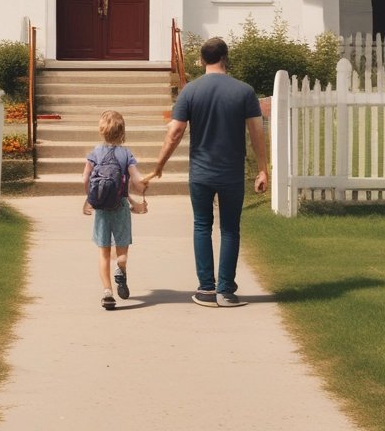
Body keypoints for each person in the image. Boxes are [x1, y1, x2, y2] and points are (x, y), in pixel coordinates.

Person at [146, 36, 269, 308]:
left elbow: (175, 131)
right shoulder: (244, 91)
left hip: (200, 172)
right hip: (232, 173)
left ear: (201, 60)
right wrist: (262, 169)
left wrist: (159, 166)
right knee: (229, 229)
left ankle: (206, 290)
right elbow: (256, 131)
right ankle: (226, 291)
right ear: (225, 57)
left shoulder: (190, 91)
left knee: (202, 226)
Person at [83, 109, 151, 310]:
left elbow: (85, 179)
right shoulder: (126, 154)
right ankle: (120, 269)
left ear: (101, 131)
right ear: (122, 132)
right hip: (120, 206)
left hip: (101, 208)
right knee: (121, 249)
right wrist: (141, 192)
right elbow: (137, 180)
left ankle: (107, 293)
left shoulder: (95, 153)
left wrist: (89, 199)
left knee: (104, 252)